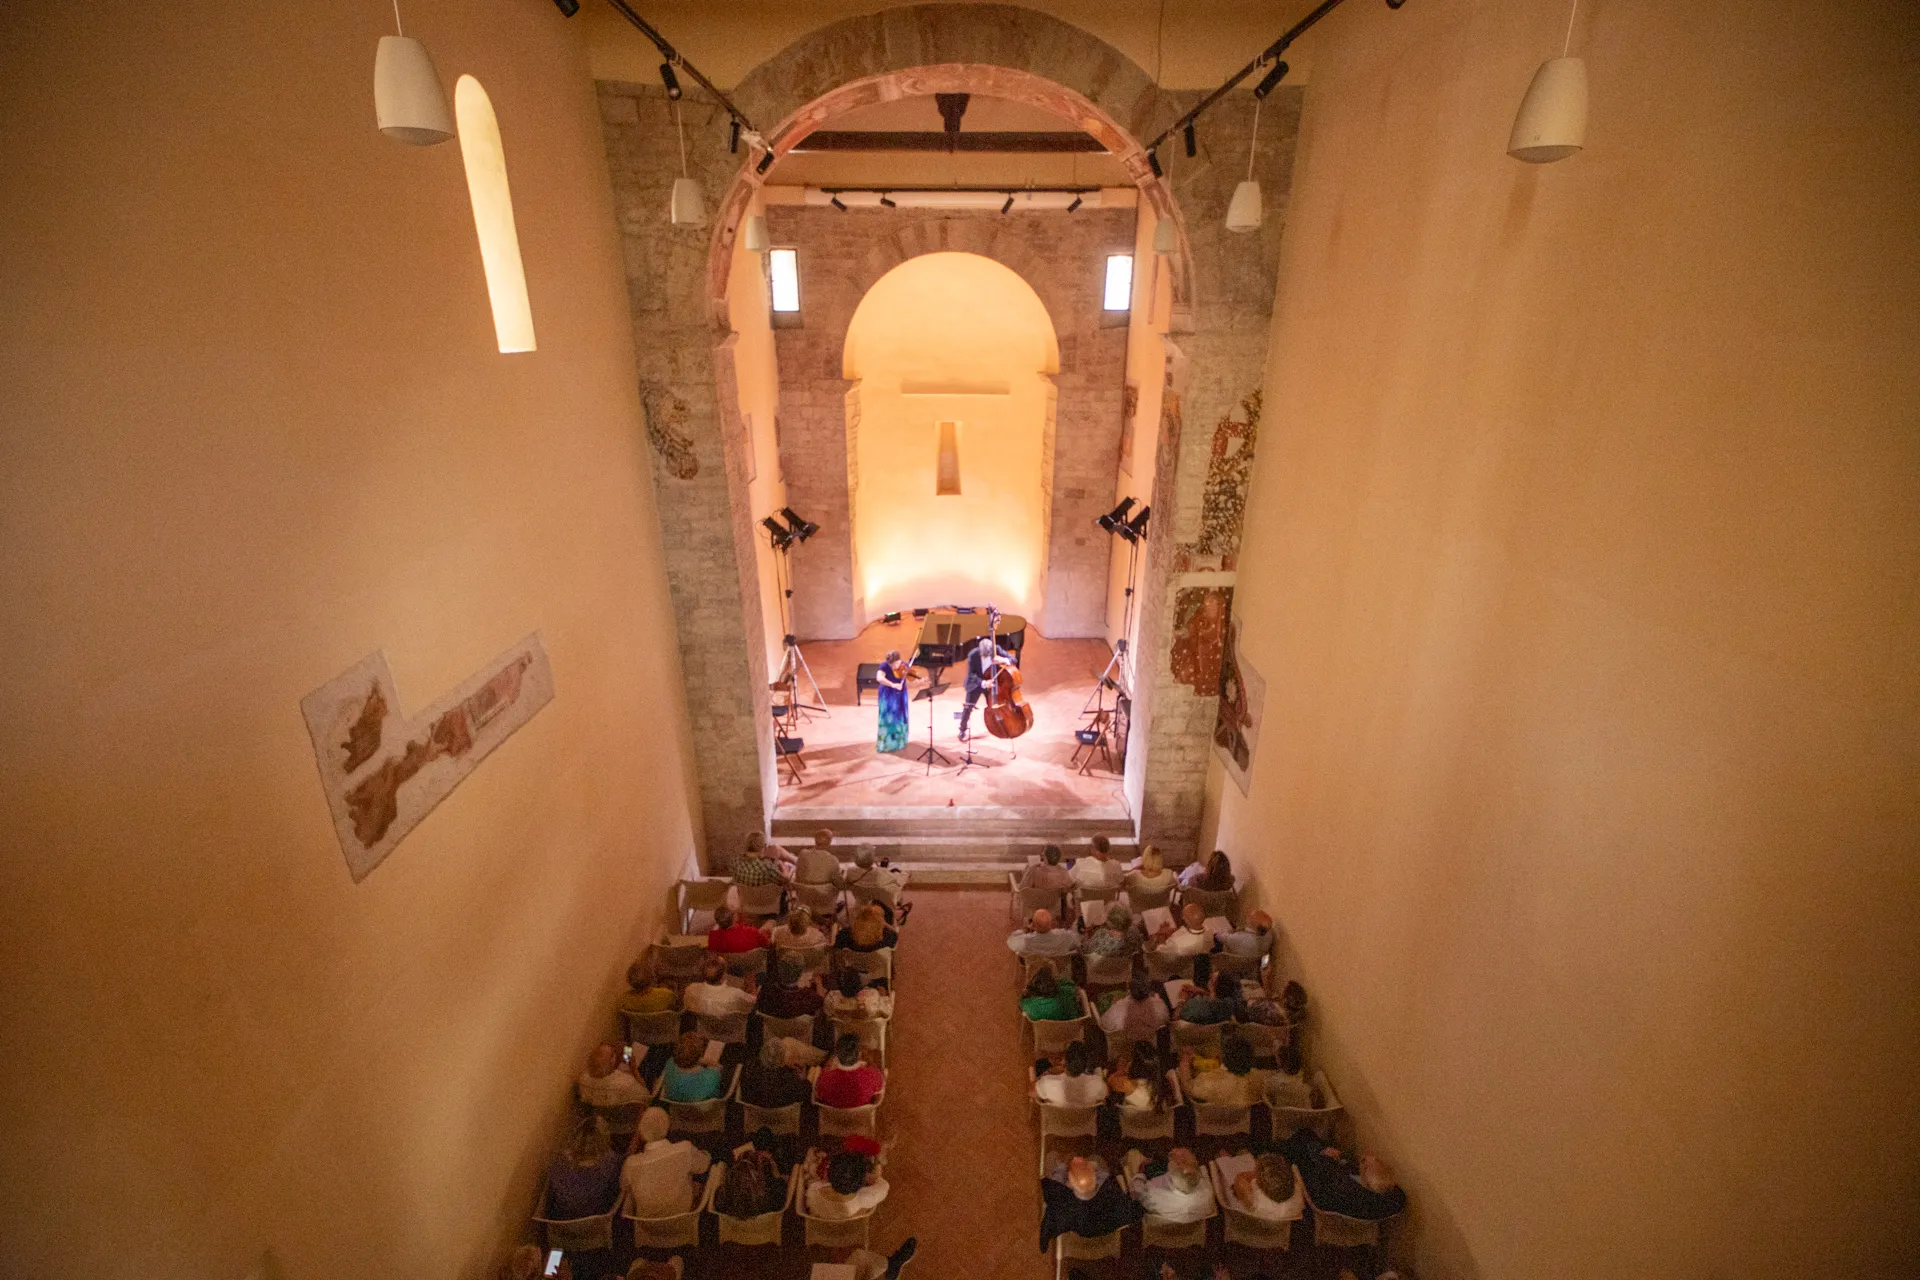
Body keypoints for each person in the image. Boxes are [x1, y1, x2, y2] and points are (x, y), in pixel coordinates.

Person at [1275, 1129, 1408, 1221]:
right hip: (1331, 1183)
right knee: (1311, 1140)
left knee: (1303, 1139)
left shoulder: (1347, 1188)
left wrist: (1328, 1158)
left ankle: (1274, 1151)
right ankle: (1282, 1147)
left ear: (1367, 1173)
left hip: (1318, 1190)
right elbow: (1399, 1195)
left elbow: (1325, 1178)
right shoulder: (1385, 1200)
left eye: (1364, 1162)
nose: (1363, 1159)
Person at [620, 1105, 711, 1218]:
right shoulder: (684, 1150)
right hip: (684, 1220)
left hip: (647, 1228)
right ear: (668, 1127)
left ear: (641, 1133)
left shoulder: (631, 1164)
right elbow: (705, 1165)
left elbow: (624, 1187)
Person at [1038, 1154, 1136, 1252]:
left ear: (1070, 1183)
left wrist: (1064, 1168)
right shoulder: (1113, 1198)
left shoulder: (1062, 1204)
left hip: (1078, 1225)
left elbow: (1050, 1184)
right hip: (1101, 1232)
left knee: (1052, 1156)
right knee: (1096, 1158)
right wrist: (1093, 1170)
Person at [546, 1116, 622, 1218]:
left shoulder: (558, 1162)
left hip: (563, 1221)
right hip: (596, 1220)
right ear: (604, 1138)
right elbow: (615, 1192)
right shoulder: (610, 1163)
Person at [1124, 1146, 1216, 1222]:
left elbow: (1136, 1193)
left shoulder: (1153, 1195)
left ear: (1171, 1167)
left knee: (1133, 1155)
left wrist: (1140, 1174)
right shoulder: (1207, 1194)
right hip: (1190, 1231)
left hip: (1161, 1231)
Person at [1180, 1036, 1267, 1107]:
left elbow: (1189, 1089)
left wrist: (1185, 1062)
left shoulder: (1208, 1080)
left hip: (1212, 1124)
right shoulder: (1260, 1078)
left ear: (1224, 1057)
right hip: (1245, 1124)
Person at [806, 1147, 890, 1219]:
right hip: (848, 1231)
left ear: (829, 1173)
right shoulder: (865, 1198)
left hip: (820, 1229)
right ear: (861, 1183)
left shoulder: (813, 1189)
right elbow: (884, 1184)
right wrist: (868, 1176)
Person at [712, 1136, 786, 1217]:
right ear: (758, 1175)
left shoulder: (724, 1201)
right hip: (764, 1229)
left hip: (734, 1229)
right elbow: (781, 1188)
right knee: (764, 1133)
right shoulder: (772, 1197)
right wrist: (775, 1170)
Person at [739, 1036, 815, 1109]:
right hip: (784, 1120)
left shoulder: (748, 1069)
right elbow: (807, 1090)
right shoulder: (792, 1085)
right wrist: (802, 1078)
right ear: (782, 1060)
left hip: (754, 1119)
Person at [816, 1033, 886, 1108]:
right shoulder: (871, 1075)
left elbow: (819, 1095)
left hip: (832, 1116)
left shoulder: (825, 1077)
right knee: (884, 1071)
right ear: (859, 1054)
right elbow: (879, 1089)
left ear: (837, 1055)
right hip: (860, 1115)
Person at [842, 849, 912, 924]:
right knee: (895, 881)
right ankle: (898, 912)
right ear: (872, 860)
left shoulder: (850, 872)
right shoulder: (882, 873)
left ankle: (885, 867)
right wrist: (906, 873)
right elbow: (900, 881)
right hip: (885, 910)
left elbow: (842, 882)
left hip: (862, 906)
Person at [1229, 1153, 1304, 1222]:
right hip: (1279, 1233)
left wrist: (1257, 1172)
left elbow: (1240, 1178)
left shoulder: (1256, 1203)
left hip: (1252, 1227)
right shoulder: (1298, 1198)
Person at [1034, 1039, 1107, 1106]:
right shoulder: (1098, 1084)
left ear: (1064, 1062)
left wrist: (1049, 1071)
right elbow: (1105, 1095)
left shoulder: (1047, 1083)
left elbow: (1031, 1092)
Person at [577, 1043, 650, 1108]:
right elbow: (646, 1096)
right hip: (629, 1116)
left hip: (604, 1118)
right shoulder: (627, 1082)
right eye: (613, 1053)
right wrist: (634, 1070)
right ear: (612, 1060)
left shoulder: (583, 1080)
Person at [1099, 973, 1171, 1040]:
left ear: (1129, 989)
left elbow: (1103, 1025)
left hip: (1124, 1051)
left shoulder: (1116, 1010)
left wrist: (1114, 1005)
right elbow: (1165, 1021)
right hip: (1151, 1049)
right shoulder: (1161, 1006)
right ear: (1149, 989)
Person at [683, 955, 756, 1018]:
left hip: (701, 1032)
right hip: (729, 1031)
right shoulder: (735, 993)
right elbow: (754, 1002)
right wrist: (752, 985)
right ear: (724, 975)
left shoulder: (690, 989)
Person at [659, 1032, 724, 1102]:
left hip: (676, 1110)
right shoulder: (712, 1075)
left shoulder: (670, 1064)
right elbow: (719, 1067)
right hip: (706, 1111)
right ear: (701, 1053)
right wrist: (713, 1064)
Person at [755, 957, 824, 1019]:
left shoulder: (766, 994)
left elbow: (758, 1006)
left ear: (780, 972)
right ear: (800, 974)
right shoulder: (808, 997)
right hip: (797, 1031)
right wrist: (819, 983)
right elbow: (821, 1001)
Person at [1107, 1043, 1171, 1111]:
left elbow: (1110, 1081)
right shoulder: (1159, 1084)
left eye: (1130, 1060)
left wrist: (1121, 1071)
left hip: (1130, 1117)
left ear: (1134, 1064)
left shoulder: (1125, 1083)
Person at [875, 649, 912, 753]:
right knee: (888, 718)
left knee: (900, 717)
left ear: (899, 660)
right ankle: (886, 744)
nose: (894, 667)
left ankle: (900, 742)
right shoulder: (884, 666)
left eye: (896, 664)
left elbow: (911, 678)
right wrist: (893, 684)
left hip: (900, 694)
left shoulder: (904, 665)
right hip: (887, 695)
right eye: (892, 664)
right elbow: (879, 678)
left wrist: (921, 680)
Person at [1176, 971, 1244, 1026]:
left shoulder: (1198, 1008)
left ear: (1215, 989)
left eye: (1211, 980)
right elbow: (1216, 1001)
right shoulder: (1228, 1005)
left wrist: (1181, 1000)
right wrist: (1204, 992)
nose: (1210, 975)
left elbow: (1175, 1022)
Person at [1152, 902, 1220, 958]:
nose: (1183, 917)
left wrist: (1160, 936)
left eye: (1184, 916)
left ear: (1187, 921)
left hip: (1175, 963)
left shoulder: (1177, 943)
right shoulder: (1209, 931)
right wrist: (1172, 931)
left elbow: (1160, 953)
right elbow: (1187, 932)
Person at [1007, 907, 1080, 958]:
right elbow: (1078, 941)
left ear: (1033, 925)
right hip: (1060, 972)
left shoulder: (1025, 940)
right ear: (1051, 923)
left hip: (1035, 971)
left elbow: (1011, 941)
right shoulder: (1064, 936)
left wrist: (1025, 929)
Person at [825, 967, 894, 1020]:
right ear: (860, 987)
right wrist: (887, 995)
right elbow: (887, 1013)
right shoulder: (871, 1001)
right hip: (867, 1029)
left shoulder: (830, 999)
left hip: (845, 1030)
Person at [1265, 1041, 1312, 1109]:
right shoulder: (1305, 1086)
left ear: (1282, 1063)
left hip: (1281, 1117)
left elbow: (1265, 1094)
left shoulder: (1273, 1082)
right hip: (1302, 1117)